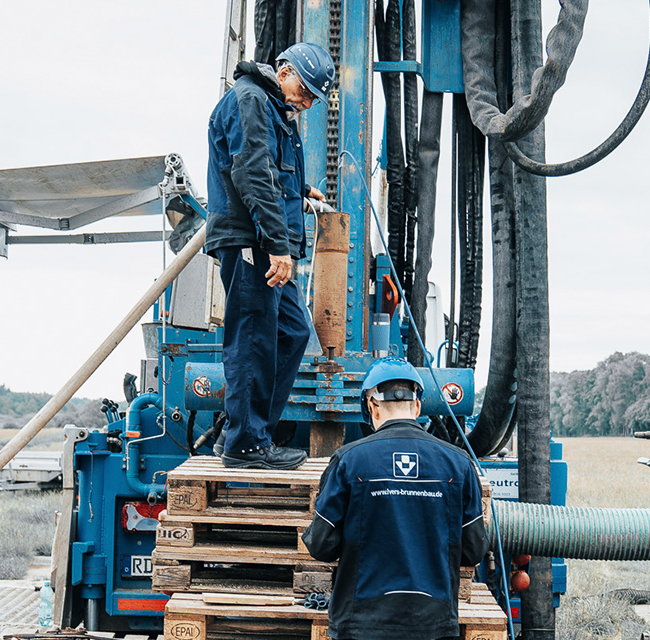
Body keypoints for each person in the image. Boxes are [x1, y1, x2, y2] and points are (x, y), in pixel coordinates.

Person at [204, 41, 336, 470]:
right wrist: (278, 246)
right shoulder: (251, 100)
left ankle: (246, 431)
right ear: (283, 71)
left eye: (315, 97)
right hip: (252, 242)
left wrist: (302, 190)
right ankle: (245, 444)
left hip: (265, 241)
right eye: (307, 91)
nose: (309, 102)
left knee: (292, 333)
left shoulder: (273, 107)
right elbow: (251, 173)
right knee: (252, 339)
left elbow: (271, 171)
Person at [302, 358, 490, 640]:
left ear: (372, 407)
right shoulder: (458, 464)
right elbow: (474, 551)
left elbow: (321, 545)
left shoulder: (348, 461)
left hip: (361, 625)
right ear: (417, 406)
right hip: (433, 625)